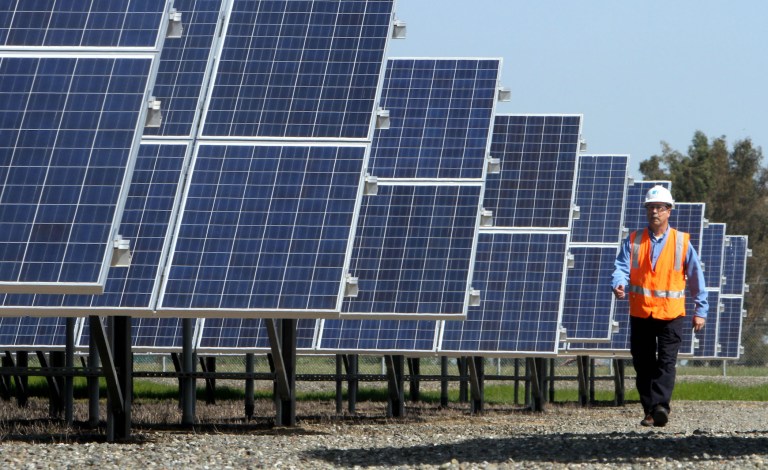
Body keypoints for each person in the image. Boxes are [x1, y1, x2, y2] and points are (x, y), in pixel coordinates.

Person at [611, 185, 708, 427]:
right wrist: (619, 283)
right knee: (643, 364)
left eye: (659, 207)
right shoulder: (634, 240)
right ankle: (650, 410)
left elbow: (696, 277)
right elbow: (621, 267)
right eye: (651, 207)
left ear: (668, 211)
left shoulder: (681, 242)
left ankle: (661, 407)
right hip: (641, 312)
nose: (654, 211)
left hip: (671, 314)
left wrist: (701, 310)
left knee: (666, 362)